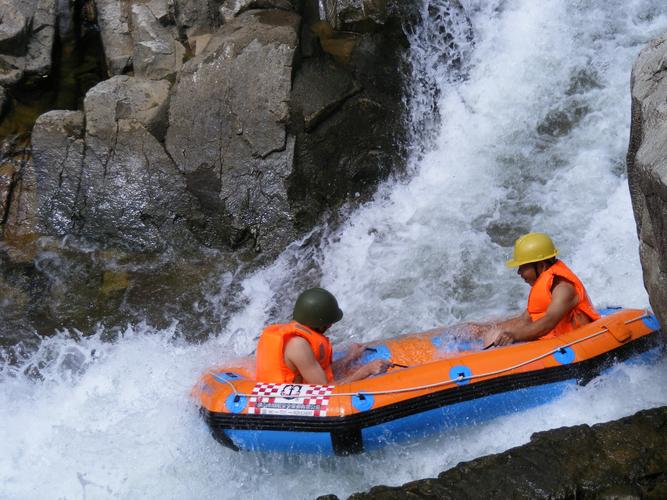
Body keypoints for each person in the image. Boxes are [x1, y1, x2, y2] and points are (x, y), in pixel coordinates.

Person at [476, 232, 600, 348]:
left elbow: (547, 322)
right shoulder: (547, 286)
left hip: (581, 344)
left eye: (523, 266)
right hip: (557, 340)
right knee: (490, 332)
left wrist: (514, 336)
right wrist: (483, 330)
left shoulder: (564, 289)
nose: (519, 272)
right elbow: (524, 320)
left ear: (541, 265)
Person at [255, 287, 391, 384]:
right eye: (328, 322)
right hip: (286, 407)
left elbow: (319, 373)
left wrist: (350, 358)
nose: (330, 326)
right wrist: (366, 370)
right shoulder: (298, 346)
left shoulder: (294, 337)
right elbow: (329, 392)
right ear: (317, 321)